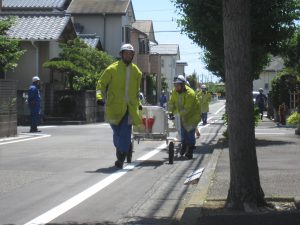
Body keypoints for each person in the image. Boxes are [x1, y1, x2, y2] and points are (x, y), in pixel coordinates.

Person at [96, 43, 142, 169]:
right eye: (126, 53)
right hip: (114, 108)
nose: (128, 56)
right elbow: (101, 84)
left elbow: (137, 92)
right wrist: (99, 97)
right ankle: (124, 148)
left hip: (129, 108)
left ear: (133, 56)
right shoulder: (112, 69)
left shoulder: (137, 72)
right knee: (117, 134)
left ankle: (121, 158)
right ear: (121, 54)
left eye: (130, 54)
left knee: (125, 132)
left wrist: (139, 104)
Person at [168, 75, 201, 159]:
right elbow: (171, 103)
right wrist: (170, 112)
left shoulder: (190, 93)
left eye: (178, 85)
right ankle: (184, 145)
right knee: (182, 132)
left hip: (192, 116)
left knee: (189, 133)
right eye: (175, 85)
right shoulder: (174, 91)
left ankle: (190, 150)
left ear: (183, 85)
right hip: (182, 116)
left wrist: (177, 115)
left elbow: (187, 109)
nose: (176, 87)